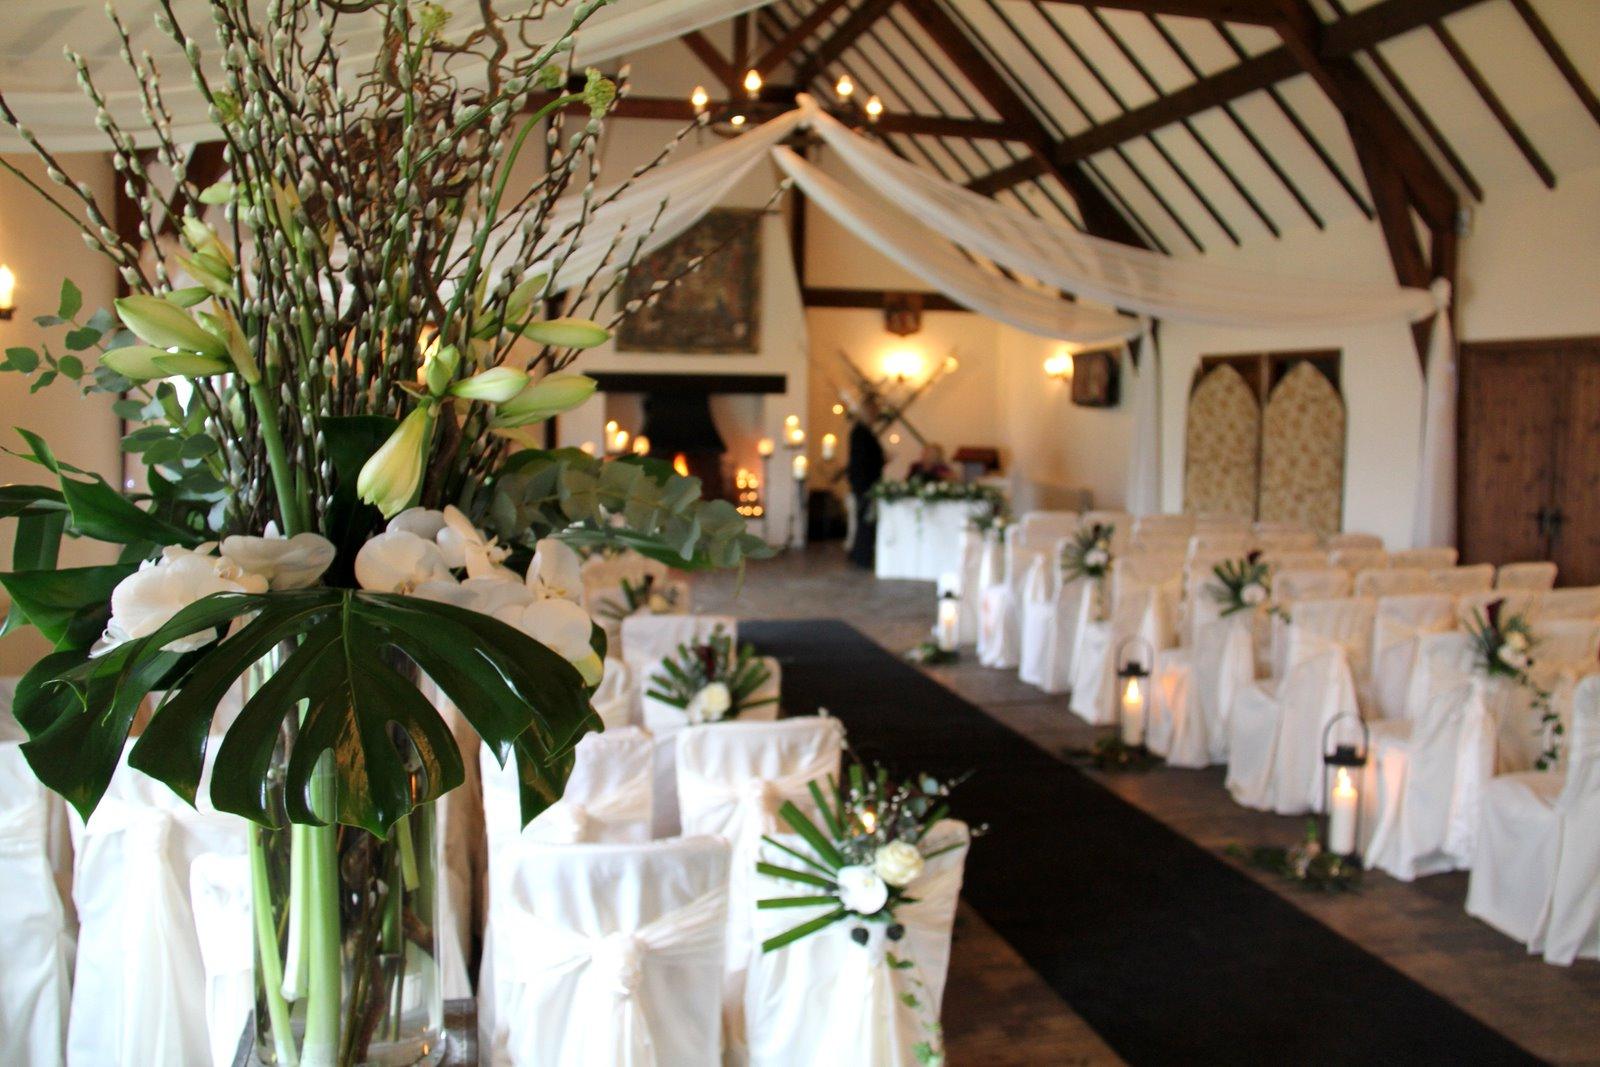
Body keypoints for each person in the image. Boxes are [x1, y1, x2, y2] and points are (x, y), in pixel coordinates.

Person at [846, 397, 886, 568]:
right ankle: (862, 557)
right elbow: (863, 461)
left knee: (865, 519)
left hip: (864, 482)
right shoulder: (861, 433)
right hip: (865, 484)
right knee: (866, 519)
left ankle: (860, 554)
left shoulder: (862, 432)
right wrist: (882, 459)